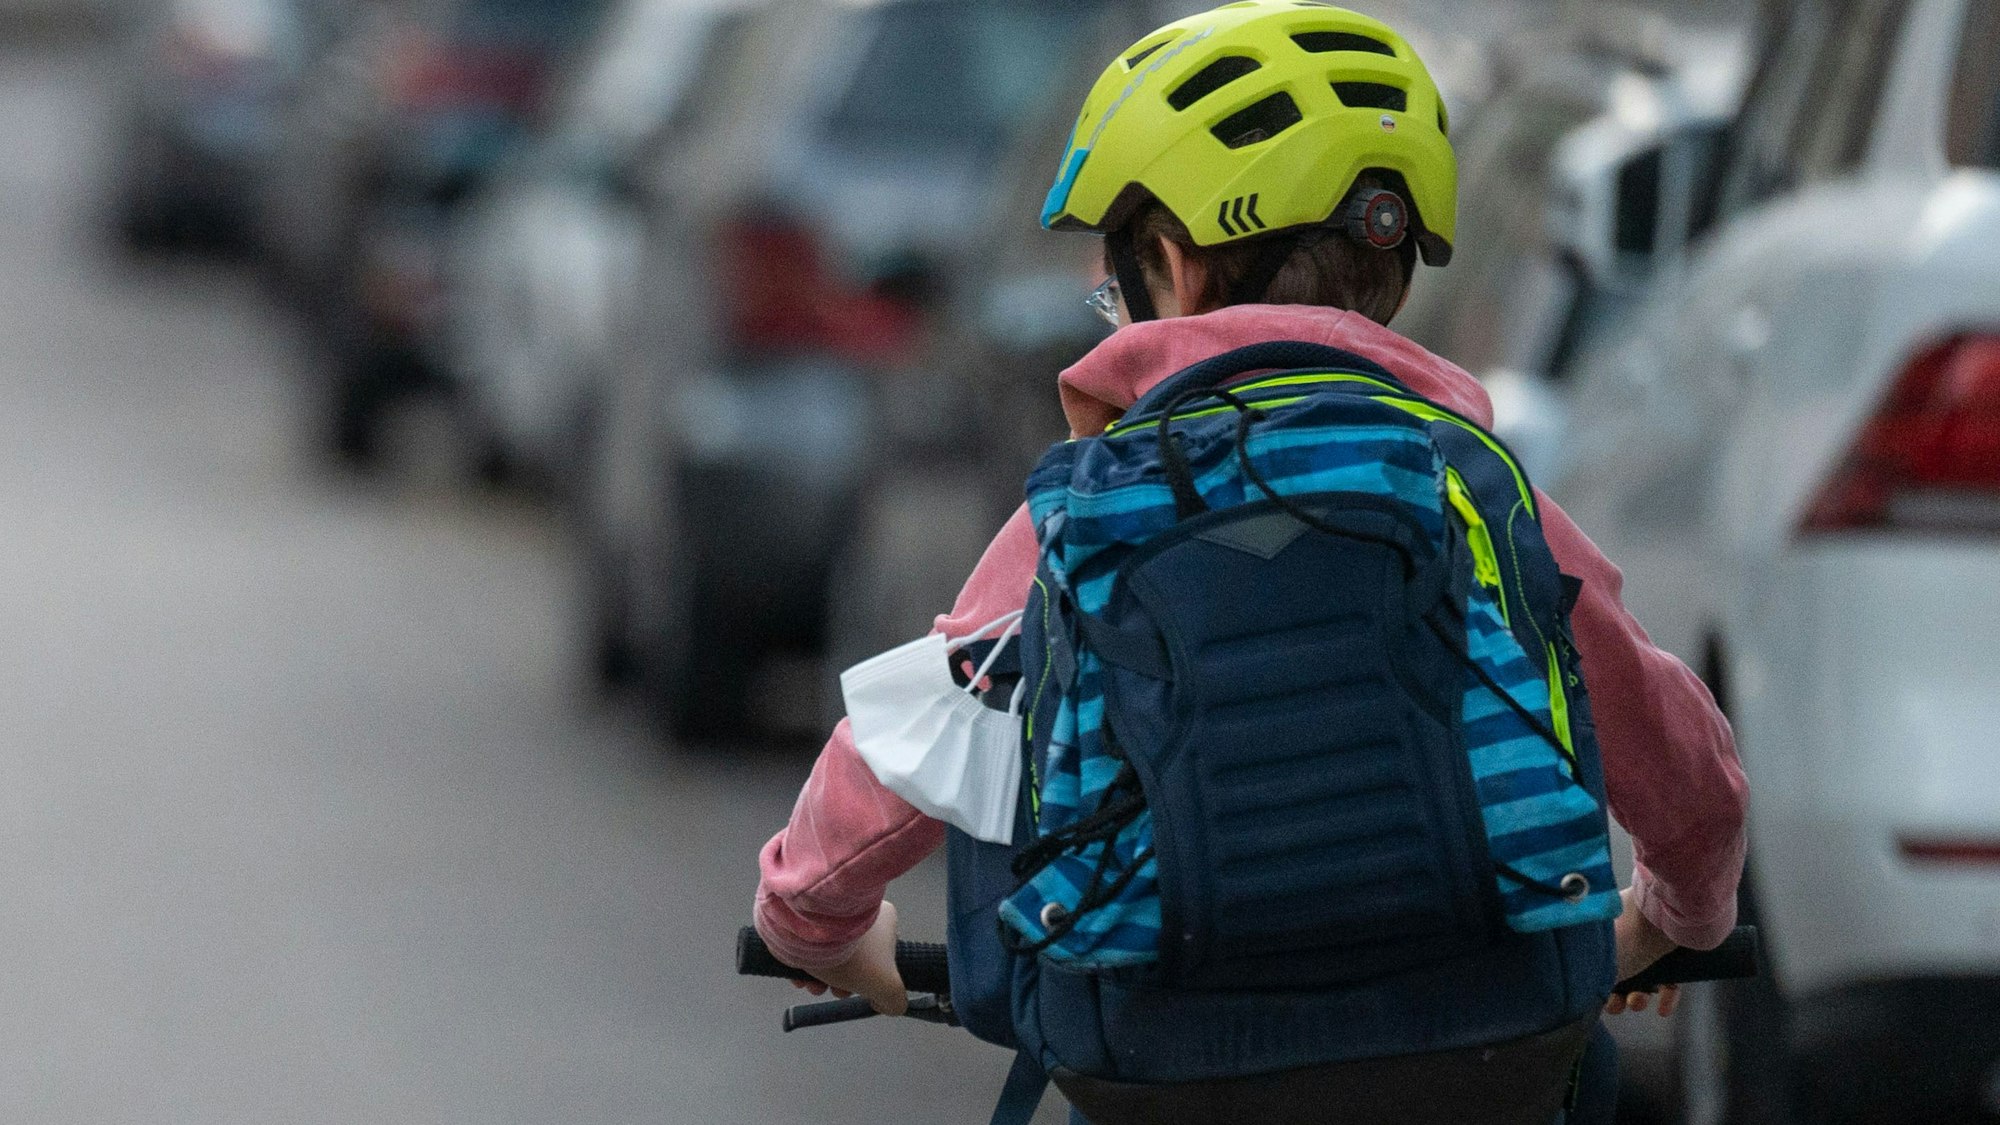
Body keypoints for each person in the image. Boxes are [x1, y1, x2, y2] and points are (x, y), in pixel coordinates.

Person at [755, 1, 1748, 1117]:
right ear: (1395, 272)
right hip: (1486, 1040)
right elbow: (1679, 759)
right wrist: (1670, 917)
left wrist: (816, 927)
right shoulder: (1468, 488)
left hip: (1160, 1062)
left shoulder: (1087, 507)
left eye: (1110, 279)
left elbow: (897, 754)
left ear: (1169, 267)